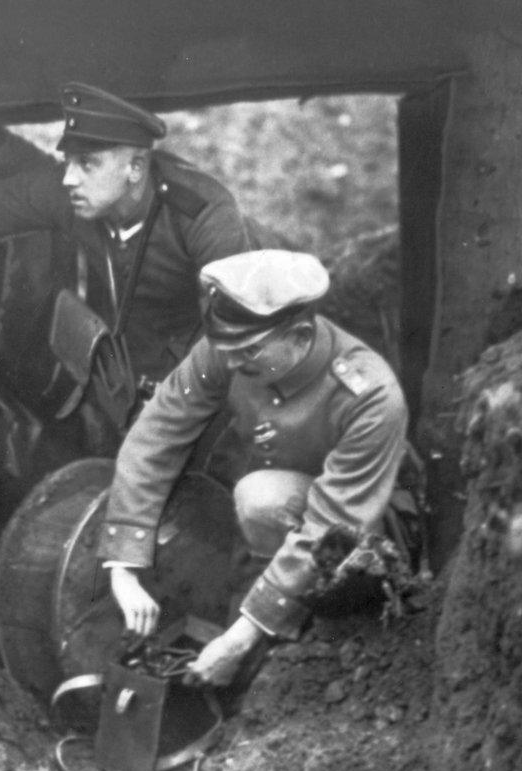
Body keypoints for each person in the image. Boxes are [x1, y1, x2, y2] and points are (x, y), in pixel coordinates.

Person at [99, 250, 418, 686]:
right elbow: (156, 434)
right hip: (278, 524)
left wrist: (240, 637)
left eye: (247, 352)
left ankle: (288, 649)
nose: (231, 365)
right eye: (225, 350)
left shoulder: (370, 396)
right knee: (243, 503)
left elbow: (333, 529)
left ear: (301, 334)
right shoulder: (234, 349)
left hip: (363, 532)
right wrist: (123, 563)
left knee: (260, 499)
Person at [0, 83, 273, 396]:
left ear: (135, 168)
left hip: (258, 299)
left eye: (88, 164)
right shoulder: (73, 193)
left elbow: (235, 329)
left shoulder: (202, 212)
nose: (70, 178)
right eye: (69, 161)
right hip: (147, 329)